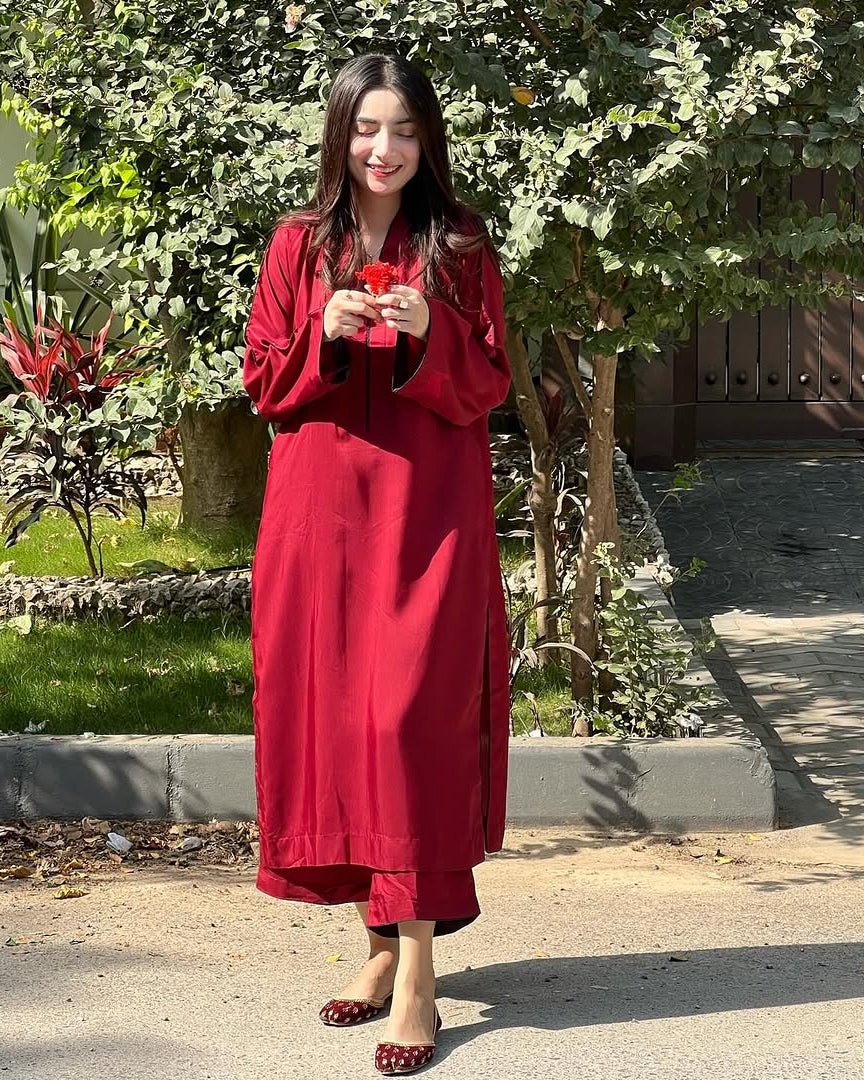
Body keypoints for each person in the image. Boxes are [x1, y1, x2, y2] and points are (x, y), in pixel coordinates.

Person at [242, 52, 512, 1075]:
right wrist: (322, 326)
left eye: (403, 131)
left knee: (408, 725)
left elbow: (487, 381)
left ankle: (419, 977)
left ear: (426, 139)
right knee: (344, 726)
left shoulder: (461, 246)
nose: (384, 150)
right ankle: (374, 942)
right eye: (367, 129)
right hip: (318, 519)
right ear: (339, 135)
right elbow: (266, 380)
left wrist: (425, 330)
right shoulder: (296, 246)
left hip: (426, 515)